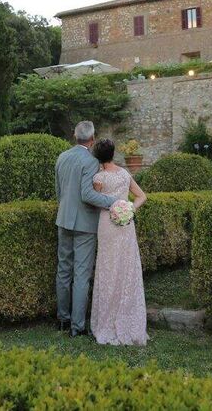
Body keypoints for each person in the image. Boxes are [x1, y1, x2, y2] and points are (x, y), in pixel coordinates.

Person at [54, 120, 116, 337]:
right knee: (81, 274)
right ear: (92, 139)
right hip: (85, 224)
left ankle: (63, 319)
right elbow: (87, 194)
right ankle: (77, 327)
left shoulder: (62, 157)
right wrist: (113, 201)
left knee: (63, 270)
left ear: (74, 135)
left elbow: (59, 192)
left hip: (63, 220)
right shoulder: (91, 160)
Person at [89, 138, 149, 345]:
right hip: (125, 225)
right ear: (113, 153)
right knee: (126, 269)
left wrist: (117, 208)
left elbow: (95, 203)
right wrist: (129, 208)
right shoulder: (124, 173)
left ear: (97, 156)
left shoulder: (98, 178)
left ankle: (108, 320)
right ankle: (128, 317)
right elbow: (142, 196)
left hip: (107, 225)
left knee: (109, 269)